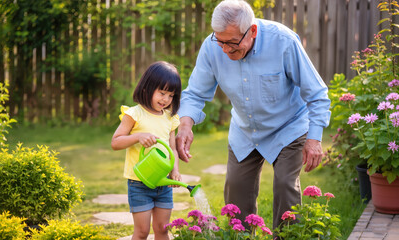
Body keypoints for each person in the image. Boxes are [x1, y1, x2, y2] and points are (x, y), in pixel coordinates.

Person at [175, 0, 331, 230]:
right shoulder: (211, 47)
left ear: (253, 31)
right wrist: (185, 125)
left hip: (288, 127)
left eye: (232, 43)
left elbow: (317, 94)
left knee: (285, 186)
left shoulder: (283, 42)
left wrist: (314, 138)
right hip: (245, 130)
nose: (226, 49)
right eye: (221, 42)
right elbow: (195, 93)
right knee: (236, 193)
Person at [111, 61, 182, 240]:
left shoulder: (169, 118)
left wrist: (175, 171)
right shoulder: (134, 114)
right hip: (139, 183)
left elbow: (172, 148)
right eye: (162, 92)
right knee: (142, 232)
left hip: (162, 182)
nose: (165, 99)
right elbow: (115, 142)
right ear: (147, 88)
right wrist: (137, 137)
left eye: (171, 95)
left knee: (162, 230)